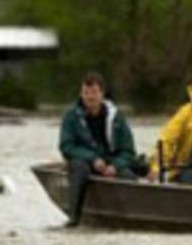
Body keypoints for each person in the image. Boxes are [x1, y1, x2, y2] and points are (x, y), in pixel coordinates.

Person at [58, 71, 137, 226]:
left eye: (94, 92)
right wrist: (92, 159)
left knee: (128, 176)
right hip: (84, 162)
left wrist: (116, 166)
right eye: (86, 93)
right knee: (79, 168)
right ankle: (74, 218)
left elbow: (129, 151)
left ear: (102, 94)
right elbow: (66, 146)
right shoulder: (71, 116)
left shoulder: (116, 117)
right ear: (81, 94)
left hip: (110, 163)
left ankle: (125, 219)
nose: (90, 97)